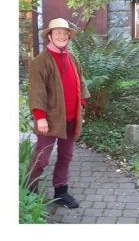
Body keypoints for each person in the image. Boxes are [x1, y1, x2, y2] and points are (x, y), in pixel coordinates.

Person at [27, 18, 90, 208]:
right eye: (57, 33)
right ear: (50, 36)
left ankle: (61, 192)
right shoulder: (41, 61)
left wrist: (82, 106)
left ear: (68, 36)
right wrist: (40, 117)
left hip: (71, 120)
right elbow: (37, 91)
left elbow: (82, 82)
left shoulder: (72, 58)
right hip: (50, 120)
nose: (61, 36)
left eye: (65, 33)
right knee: (42, 158)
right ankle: (29, 190)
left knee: (66, 156)